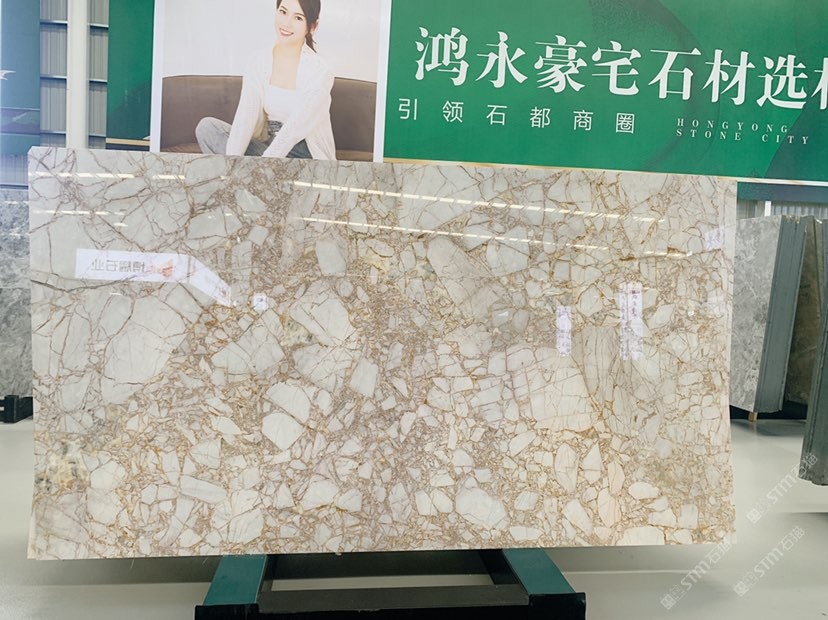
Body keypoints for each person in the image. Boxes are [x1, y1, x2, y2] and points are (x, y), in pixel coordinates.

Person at [196, 0, 336, 160]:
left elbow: (294, 129)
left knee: (265, 165)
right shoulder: (258, 61)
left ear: (312, 26)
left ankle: (256, 174)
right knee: (207, 128)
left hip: (303, 156)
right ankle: (251, 174)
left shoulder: (320, 70)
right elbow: (245, 118)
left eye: (298, 18)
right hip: (266, 147)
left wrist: (264, 165)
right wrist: (232, 161)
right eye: (283, 12)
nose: (286, 23)